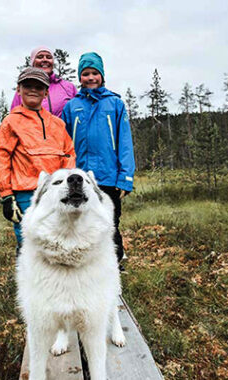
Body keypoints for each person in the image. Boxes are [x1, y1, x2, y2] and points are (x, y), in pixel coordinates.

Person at [61, 52, 135, 269]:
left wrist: (125, 178)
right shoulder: (71, 107)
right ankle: (86, 265)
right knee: (81, 221)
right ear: (80, 77)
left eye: (95, 73)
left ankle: (115, 262)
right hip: (79, 177)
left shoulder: (115, 104)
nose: (90, 77)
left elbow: (125, 143)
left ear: (102, 76)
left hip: (108, 176)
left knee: (110, 221)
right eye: (85, 74)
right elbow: (63, 143)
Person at [0, 67, 76, 254]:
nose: (33, 90)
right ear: (19, 90)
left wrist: (66, 183)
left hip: (55, 191)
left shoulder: (57, 124)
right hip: (25, 194)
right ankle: (28, 280)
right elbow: (2, 157)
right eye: (28, 86)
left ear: (46, 92)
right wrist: (7, 196)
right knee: (28, 242)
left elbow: (69, 153)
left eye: (39, 87)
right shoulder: (11, 122)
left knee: (56, 238)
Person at [11, 46, 77, 117]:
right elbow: (14, 116)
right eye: (40, 57)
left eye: (49, 57)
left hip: (61, 128)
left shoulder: (68, 87)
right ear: (33, 62)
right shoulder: (24, 89)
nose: (45, 60)